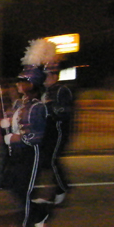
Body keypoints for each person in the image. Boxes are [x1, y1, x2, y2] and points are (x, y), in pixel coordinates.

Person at [0, 59, 50, 227]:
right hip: (17, 153)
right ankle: (41, 212)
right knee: (13, 186)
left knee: (25, 191)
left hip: (31, 153)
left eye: (22, 81)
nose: (18, 85)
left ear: (31, 84)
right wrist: (5, 127)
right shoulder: (18, 104)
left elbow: (38, 136)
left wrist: (16, 138)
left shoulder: (37, 107)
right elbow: (15, 128)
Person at [41, 50, 73, 205]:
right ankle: (56, 190)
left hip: (60, 130)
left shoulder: (62, 90)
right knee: (47, 161)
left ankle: (62, 189)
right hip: (49, 131)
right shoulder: (47, 91)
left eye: (46, 76)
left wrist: (49, 107)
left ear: (53, 76)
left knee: (52, 160)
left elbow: (65, 110)